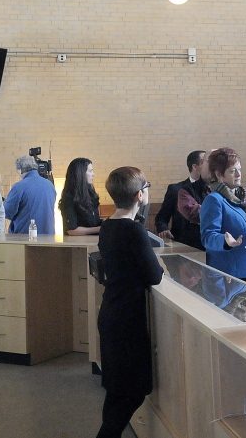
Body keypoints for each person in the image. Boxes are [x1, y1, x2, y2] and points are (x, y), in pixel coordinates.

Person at [95, 166, 164, 438]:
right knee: (132, 392)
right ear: (139, 195)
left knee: (117, 391)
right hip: (127, 320)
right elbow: (154, 275)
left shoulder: (108, 226)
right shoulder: (134, 231)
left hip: (112, 313)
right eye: (146, 187)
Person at [200, 148, 246, 282]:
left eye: (239, 169)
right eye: (232, 171)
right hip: (229, 273)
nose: (238, 174)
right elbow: (208, 237)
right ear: (219, 174)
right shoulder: (214, 200)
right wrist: (225, 242)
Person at [154, 150, 206, 241]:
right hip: (184, 242)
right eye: (204, 162)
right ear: (195, 166)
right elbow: (161, 218)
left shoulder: (215, 189)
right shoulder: (176, 189)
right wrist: (164, 229)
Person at [4, 155, 57, 234]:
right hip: (48, 236)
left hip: (26, 237)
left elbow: (8, 213)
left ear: (20, 170)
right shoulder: (49, 185)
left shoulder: (19, 186)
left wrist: (3, 204)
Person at [176, 151, 212, 250]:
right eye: (208, 163)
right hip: (194, 245)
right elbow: (193, 212)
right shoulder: (184, 190)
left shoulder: (230, 190)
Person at [58, 157, 101, 235]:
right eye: (90, 171)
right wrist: (99, 229)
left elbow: (93, 221)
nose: (93, 174)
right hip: (79, 244)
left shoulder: (90, 194)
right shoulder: (69, 198)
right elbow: (71, 230)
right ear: (81, 173)